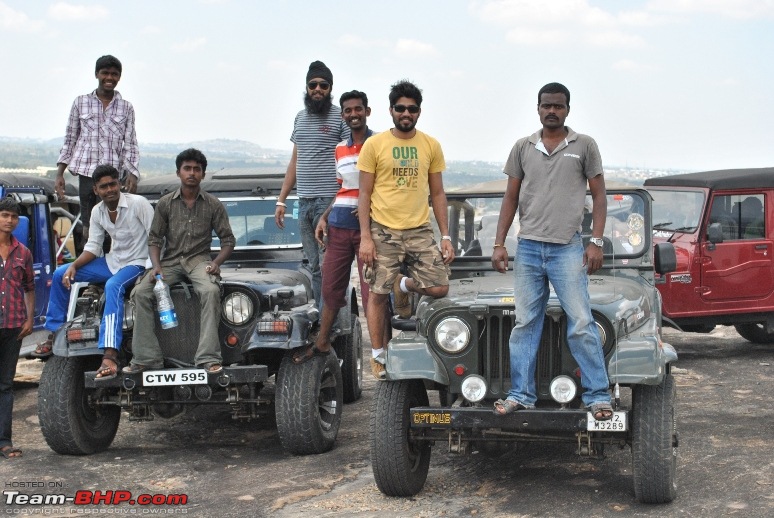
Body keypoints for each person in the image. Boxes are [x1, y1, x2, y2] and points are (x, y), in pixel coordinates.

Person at [490, 82, 613, 420]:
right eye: (546, 106)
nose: (552, 111)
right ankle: (521, 395)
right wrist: (500, 244)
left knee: (581, 322)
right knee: (525, 322)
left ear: (568, 109)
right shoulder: (523, 147)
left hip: (567, 249)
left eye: (558, 106)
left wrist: (596, 241)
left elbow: (599, 196)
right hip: (528, 248)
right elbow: (510, 198)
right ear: (538, 108)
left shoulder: (584, 146)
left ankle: (598, 396)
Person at [357, 80, 455, 379]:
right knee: (376, 293)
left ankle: (404, 285)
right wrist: (365, 237)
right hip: (383, 230)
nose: (406, 113)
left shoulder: (430, 145)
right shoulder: (374, 145)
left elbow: (437, 193)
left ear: (419, 112)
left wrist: (446, 236)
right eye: (400, 108)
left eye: (411, 109)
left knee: (439, 288)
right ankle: (378, 355)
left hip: (418, 230)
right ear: (390, 110)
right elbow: (363, 194)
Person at [292, 90, 391, 375]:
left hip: (368, 230)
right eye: (347, 111)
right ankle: (323, 342)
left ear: (367, 111)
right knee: (330, 287)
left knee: (374, 290)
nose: (353, 115)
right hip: (338, 227)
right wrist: (324, 217)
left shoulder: (380, 143)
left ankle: (383, 354)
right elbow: (343, 189)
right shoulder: (340, 149)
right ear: (343, 115)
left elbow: (380, 187)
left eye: (358, 109)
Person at [32, 165, 154, 379]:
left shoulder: (139, 204)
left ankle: (110, 354)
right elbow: (93, 247)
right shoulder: (98, 211)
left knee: (113, 286)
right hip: (112, 261)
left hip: (138, 263)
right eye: (103, 186)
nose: (109, 190)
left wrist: (156, 269)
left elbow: (156, 238)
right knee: (61, 274)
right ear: (96, 190)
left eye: (112, 184)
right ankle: (55, 333)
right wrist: (74, 266)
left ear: (119, 184)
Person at [124, 149, 235, 375]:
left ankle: (208, 358)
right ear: (178, 172)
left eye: (196, 169)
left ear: (203, 174)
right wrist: (155, 267)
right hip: (171, 261)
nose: (191, 173)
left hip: (199, 261)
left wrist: (217, 263)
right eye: (187, 168)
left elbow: (228, 240)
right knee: (140, 292)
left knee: (211, 291)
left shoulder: (213, 204)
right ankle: (146, 358)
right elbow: (154, 239)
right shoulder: (165, 204)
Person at [274, 60, 349, 310]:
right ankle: (322, 317)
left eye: (323, 85)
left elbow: (351, 157)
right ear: (306, 87)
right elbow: (295, 160)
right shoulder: (300, 117)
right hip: (303, 202)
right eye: (313, 84)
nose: (318, 89)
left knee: (330, 266)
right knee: (315, 265)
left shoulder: (340, 116)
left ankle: (334, 325)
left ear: (330, 88)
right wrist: (282, 200)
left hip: (328, 203)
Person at [55, 55, 140, 241]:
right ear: (97, 74)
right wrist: (60, 173)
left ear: (119, 77)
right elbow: (70, 138)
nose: (109, 78)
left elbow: (131, 143)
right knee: (88, 225)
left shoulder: (126, 108)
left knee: (114, 225)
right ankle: (89, 266)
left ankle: (111, 266)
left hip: (113, 174)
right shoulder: (80, 102)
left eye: (114, 74)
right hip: (87, 174)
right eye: (105, 73)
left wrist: (132, 173)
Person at [0, 198, 34, 459]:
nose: (9, 220)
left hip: (13, 326)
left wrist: (29, 319)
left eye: (13, 216)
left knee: (5, 385)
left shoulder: (23, 252)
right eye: (4, 215)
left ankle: (4, 442)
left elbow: (29, 288)